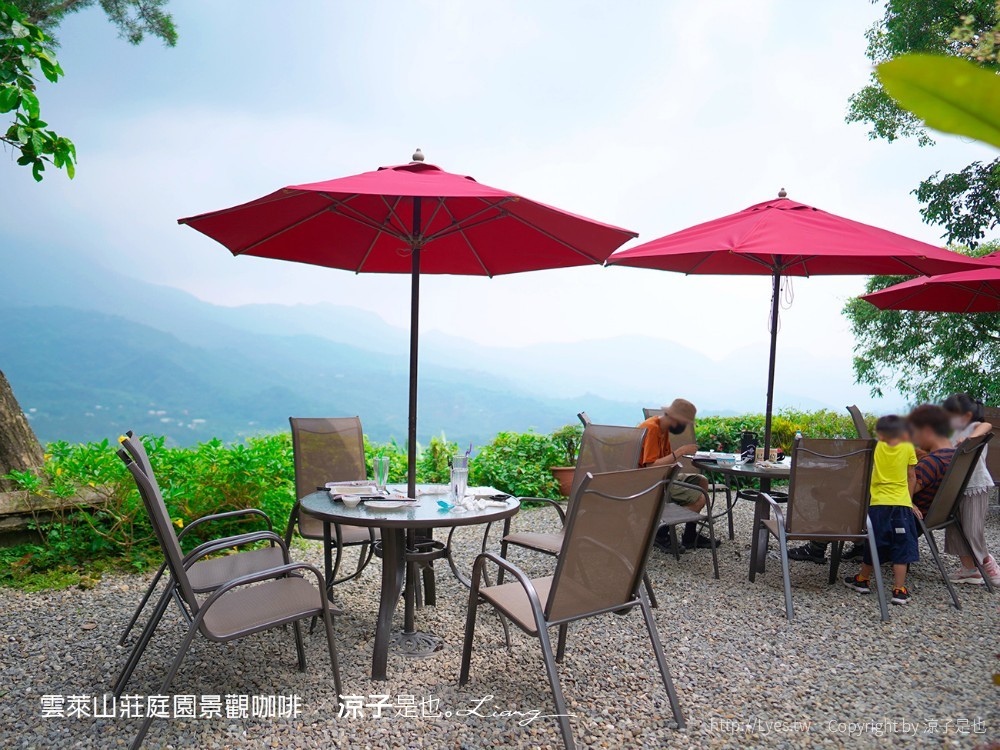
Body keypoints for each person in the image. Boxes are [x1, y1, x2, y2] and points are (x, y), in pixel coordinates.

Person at [844, 415, 919, 605]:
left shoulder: (875, 447)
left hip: (878, 505)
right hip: (901, 506)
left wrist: (848, 492)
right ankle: (899, 589)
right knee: (901, 546)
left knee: (874, 544)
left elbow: (862, 472)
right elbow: (911, 477)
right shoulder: (908, 446)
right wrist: (909, 501)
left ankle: (863, 579)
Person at [638, 398, 719, 552]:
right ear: (676, 419)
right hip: (651, 481)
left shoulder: (663, 430)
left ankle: (689, 536)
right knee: (700, 498)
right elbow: (651, 466)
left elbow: (666, 460)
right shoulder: (652, 428)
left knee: (701, 481)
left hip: (664, 476)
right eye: (684, 423)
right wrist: (681, 451)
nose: (684, 427)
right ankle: (660, 533)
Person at [941, 394, 1000, 585]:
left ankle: (988, 563)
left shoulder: (974, 427)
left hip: (975, 486)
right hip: (956, 487)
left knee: (972, 529)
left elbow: (987, 426)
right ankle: (969, 569)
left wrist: (969, 439)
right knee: (954, 527)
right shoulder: (951, 433)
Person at [908, 404, 957, 517]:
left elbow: (899, 494)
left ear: (927, 431)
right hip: (938, 517)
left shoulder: (930, 463)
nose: (914, 438)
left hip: (914, 519)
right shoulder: (954, 455)